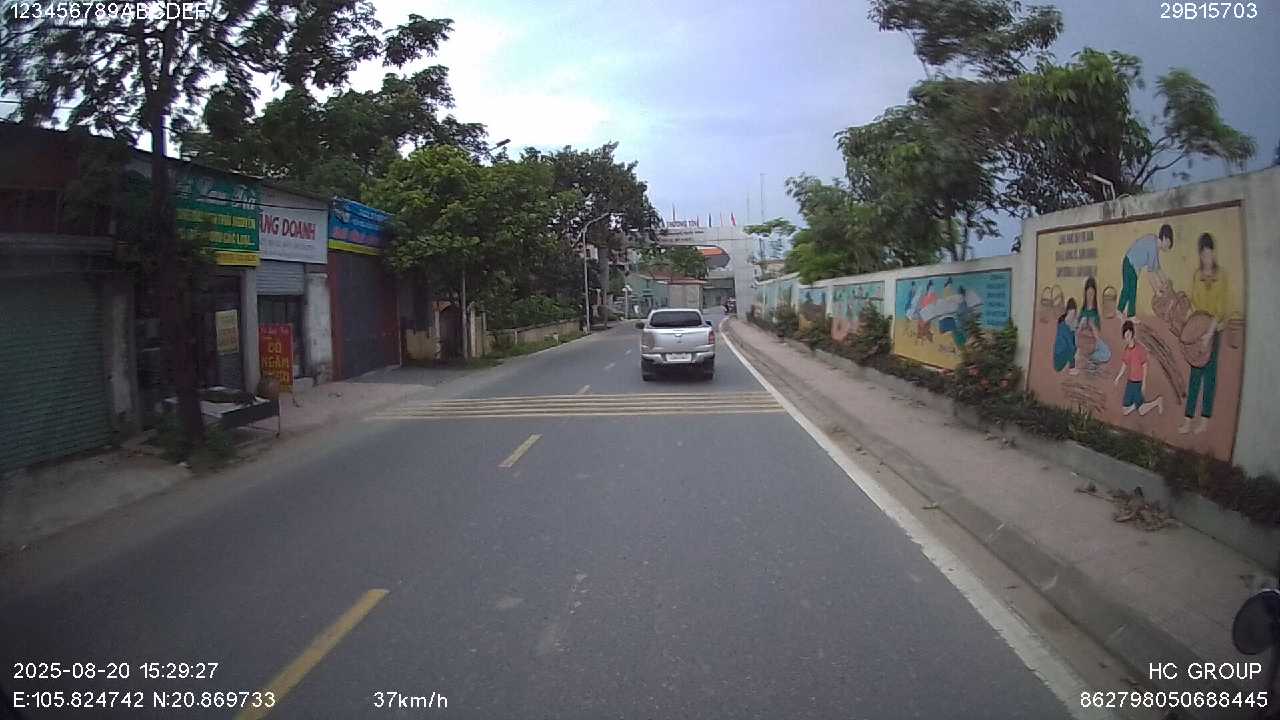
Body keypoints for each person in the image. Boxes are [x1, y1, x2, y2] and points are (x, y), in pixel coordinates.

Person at [1180, 232, 1227, 435]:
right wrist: (1187, 325)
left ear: (1213, 253)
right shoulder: (1197, 275)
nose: (1207, 258)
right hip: (1198, 329)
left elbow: (1221, 308)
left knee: (1209, 375)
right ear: (1200, 255)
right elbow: (1193, 303)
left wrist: (1209, 334)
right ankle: (1188, 419)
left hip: (1214, 330)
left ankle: (1205, 419)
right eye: (1203, 254)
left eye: (1209, 254)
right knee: (1195, 374)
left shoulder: (1221, 276)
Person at [1117, 224, 1173, 320]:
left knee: (1131, 290)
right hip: (1129, 263)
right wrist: (1156, 291)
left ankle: (1128, 313)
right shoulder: (1153, 247)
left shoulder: (1154, 245)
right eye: (1168, 242)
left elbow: (1157, 268)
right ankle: (1121, 311)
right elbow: (1150, 273)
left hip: (1133, 266)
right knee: (1128, 289)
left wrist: (1165, 281)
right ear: (1164, 238)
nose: (1168, 247)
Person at [1113, 321, 1164, 416]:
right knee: (1125, 410)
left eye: (1128, 334)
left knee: (1141, 411)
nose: (1127, 337)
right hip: (1130, 382)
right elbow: (1124, 364)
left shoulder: (1140, 349)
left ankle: (1150, 402)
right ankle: (1141, 404)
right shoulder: (1127, 350)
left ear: (1132, 333)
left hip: (1138, 382)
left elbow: (1145, 366)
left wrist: (1144, 383)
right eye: (1125, 335)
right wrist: (1118, 377)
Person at [1078, 276, 1111, 364]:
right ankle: (1087, 358)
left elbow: (1098, 336)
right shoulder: (1082, 312)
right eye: (1088, 293)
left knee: (1107, 353)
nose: (1090, 296)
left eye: (1092, 293)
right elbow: (1078, 332)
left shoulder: (1095, 314)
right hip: (1083, 342)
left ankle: (1090, 358)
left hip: (1093, 343)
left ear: (1095, 294)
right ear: (1085, 294)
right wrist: (1082, 325)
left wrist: (1092, 326)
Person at [1053, 298, 1080, 374]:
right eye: (1071, 314)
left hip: (1064, 354)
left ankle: (1071, 367)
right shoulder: (1063, 326)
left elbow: (1073, 342)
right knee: (1072, 348)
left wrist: (1075, 330)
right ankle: (1071, 368)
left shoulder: (1070, 325)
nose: (1072, 317)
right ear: (1067, 312)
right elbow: (1070, 346)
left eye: (1074, 314)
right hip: (1060, 358)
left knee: (1074, 347)